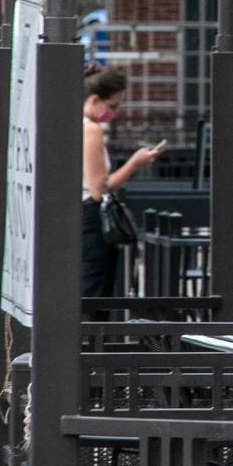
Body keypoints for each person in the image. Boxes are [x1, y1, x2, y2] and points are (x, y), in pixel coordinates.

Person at [81, 66, 163, 299]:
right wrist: (134, 163)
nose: (114, 113)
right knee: (95, 287)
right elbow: (99, 189)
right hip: (91, 217)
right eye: (113, 106)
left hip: (80, 216)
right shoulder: (91, 131)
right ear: (95, 99)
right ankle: (91, 335)